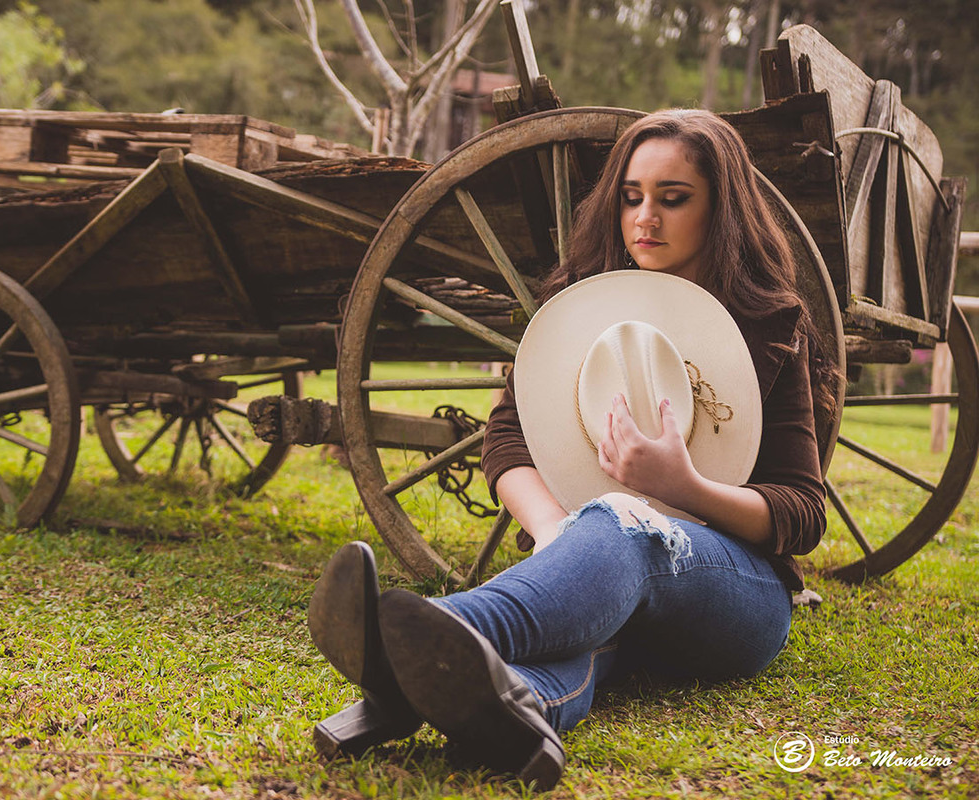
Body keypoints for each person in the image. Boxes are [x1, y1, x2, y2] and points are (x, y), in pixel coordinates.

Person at [306, 109, 837, 791]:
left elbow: (803, 511)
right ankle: (510, 711)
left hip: (734, 593)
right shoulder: (578, 306)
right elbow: (507, 438)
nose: (645, 217)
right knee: (588, 619)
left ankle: (412, 633)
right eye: (631, 196)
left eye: (673, 199)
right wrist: (558, 532)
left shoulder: (769, 325)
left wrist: (682, 488)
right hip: (588, 581)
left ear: (722, 210)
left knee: (626, 523)